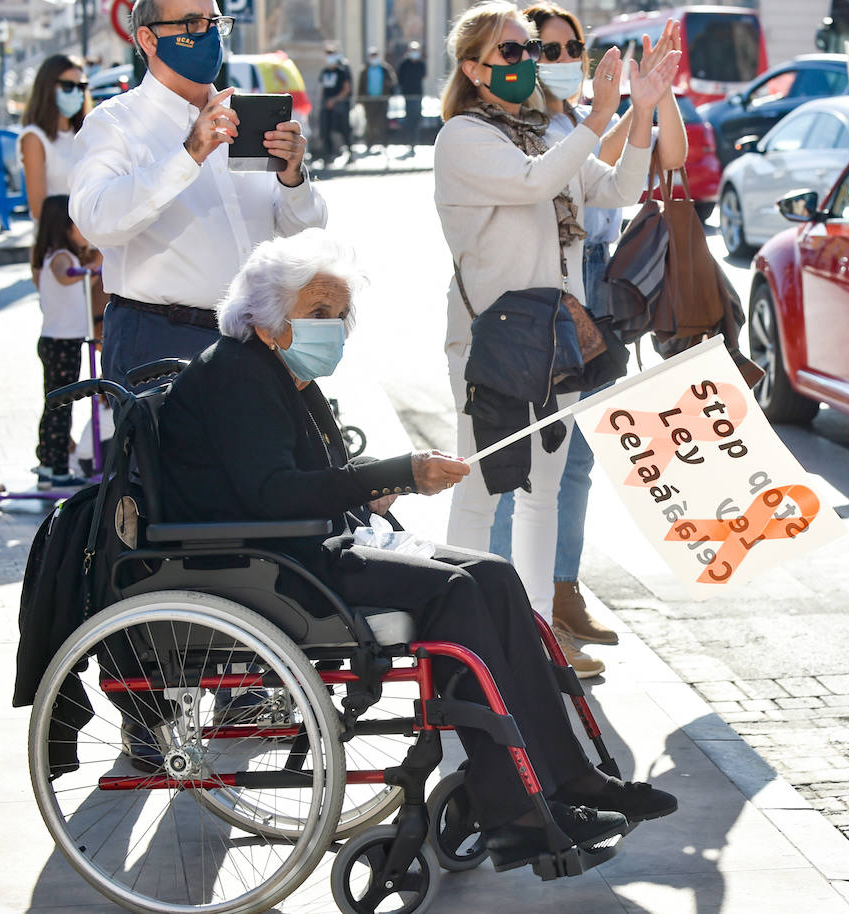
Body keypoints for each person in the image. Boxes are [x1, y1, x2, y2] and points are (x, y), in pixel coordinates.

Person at [158, 228, 678, 864]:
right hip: (269, 562)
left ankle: (568, 776)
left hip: (299, 543)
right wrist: (396, 472)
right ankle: (512, 807)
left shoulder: (274, 372)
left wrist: (377, 486)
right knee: (456, 593)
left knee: (492, 574)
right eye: (318, 312)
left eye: (340, 313)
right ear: (267, 319)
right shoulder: (238, 378)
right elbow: (273, 493)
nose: (335, 326)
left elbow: (303, 479)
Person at [432, 1, 679, 640]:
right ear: (474, 68)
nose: (527, 63)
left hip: (555, 338)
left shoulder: (546, 131)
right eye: (510, 52)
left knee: (543, 492)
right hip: (490, 341)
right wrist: (597, 116)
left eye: (531, 52)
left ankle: (537, 635)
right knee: (483, 488)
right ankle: (468, 639)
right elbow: (536, 183)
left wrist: (642, 109)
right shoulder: (464, 137)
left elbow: (619, 189)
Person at [70, 0, 327, 389]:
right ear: (148, 39)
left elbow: (304, 238)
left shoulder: (243, 118)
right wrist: (188, 154)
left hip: (256, 338)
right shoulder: (115, 123)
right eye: (191, 24)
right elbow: (98, 222)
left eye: (214, 22)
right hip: (162, 341)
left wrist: (293, 179)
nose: (207, 35)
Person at [30, 195, 104, 489]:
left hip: (57, 340)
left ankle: (49, 461)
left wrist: (92, 266)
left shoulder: (52, 255)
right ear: (65, 226)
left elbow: (85, 280)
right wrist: (82, 272)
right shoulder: (61, 258)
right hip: (63, 343)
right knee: (62, 405)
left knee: (54, 404)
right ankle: (58, 466)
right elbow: (65, 276)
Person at [18, 54, 90, 223]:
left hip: (95, 239)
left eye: (81, 86)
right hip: (58, 241)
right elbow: (39, 209)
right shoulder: (34, 138)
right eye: (67, 86)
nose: (75, 92)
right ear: (47, 87)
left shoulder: (86, 132)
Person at [319, 41, 353, 160]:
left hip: (339, 104)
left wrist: (334, 100)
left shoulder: (341, 71)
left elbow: (346, 89)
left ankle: (349, 152)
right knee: (325, 129)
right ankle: (328, 154)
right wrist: (324, 102)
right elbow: (323, 88)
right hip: (327, 104)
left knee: (344, 129)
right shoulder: (324, 71)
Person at [358, 46, 396, 152]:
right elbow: (360, 85)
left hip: (382, 99)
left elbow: (392, 82)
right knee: (370, 122)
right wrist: (360, 99)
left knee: (382, 122)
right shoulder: (365, 70)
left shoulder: (385, 69)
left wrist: (389, 88)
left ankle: (384, 143)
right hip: (369, 100)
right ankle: (370, 143)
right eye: (371, 55)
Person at [398, 40, 427, 151]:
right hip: (408, 95)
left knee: (416, 118)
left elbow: (423, 75)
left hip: (418, 94)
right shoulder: (404, 64)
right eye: (412, 50)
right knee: (409, 118)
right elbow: (400, 78)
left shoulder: (420, 64)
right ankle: (408, 141)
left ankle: (415, 141)